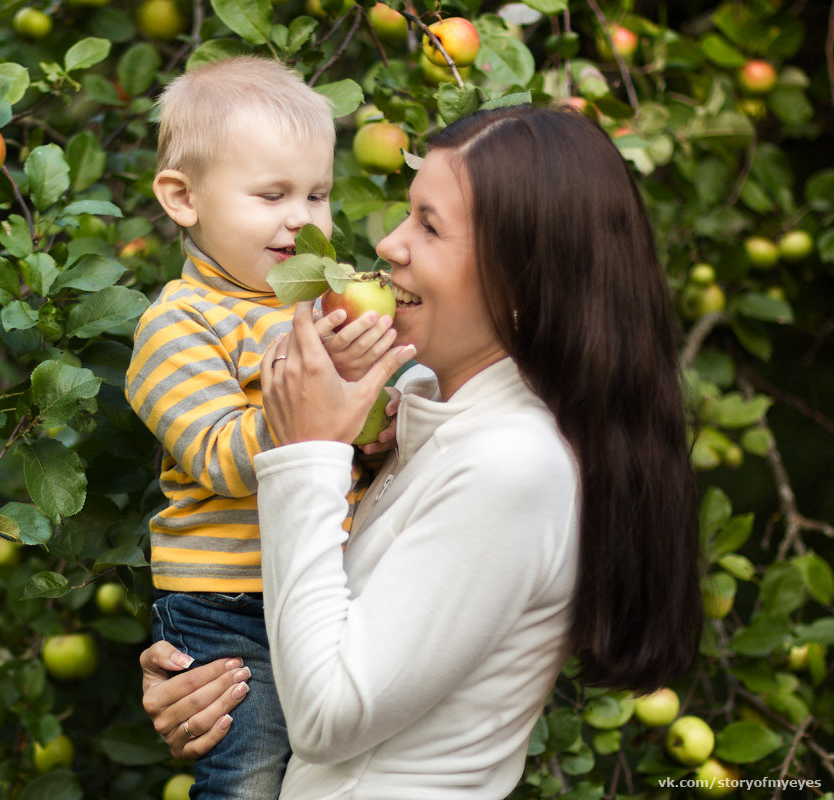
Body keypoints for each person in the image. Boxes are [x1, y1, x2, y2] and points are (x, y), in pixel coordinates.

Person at [139, 104, 702, 799]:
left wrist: (308, 449)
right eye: (407, 214)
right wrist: (217, 673)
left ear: (522, 280)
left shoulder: (511, 466)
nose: (391, 245)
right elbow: (326, 623)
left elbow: (328, 718)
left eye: (429, 227)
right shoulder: (432, 416)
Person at [125, 56, 397, 799]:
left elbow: (342, 455)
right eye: (271, 194)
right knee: (249, 780)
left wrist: (372, 436)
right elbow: (218, 454)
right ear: (183, 198)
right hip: (229, 609)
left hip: (320, 586)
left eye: (317, 194)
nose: (303, 218)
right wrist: (320, 403)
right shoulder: (178, 326)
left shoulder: (318, 309)